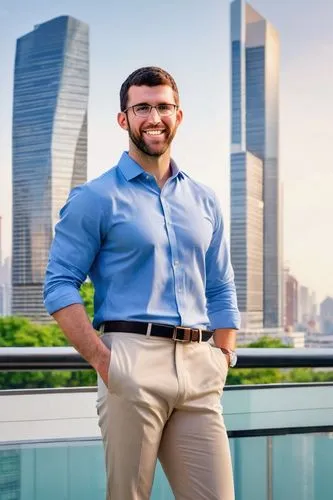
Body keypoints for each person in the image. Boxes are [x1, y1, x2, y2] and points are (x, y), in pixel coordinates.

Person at [44, 66, 240, 500]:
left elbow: (222, 286)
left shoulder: (204, 199)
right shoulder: (95, 198)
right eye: (143, 107)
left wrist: (223, 355)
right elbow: (59, 284)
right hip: (131, 361)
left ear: (179, 115)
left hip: (200, 366)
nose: (155, 116)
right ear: (123, 118)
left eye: (164, 106)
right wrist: (103, 360)